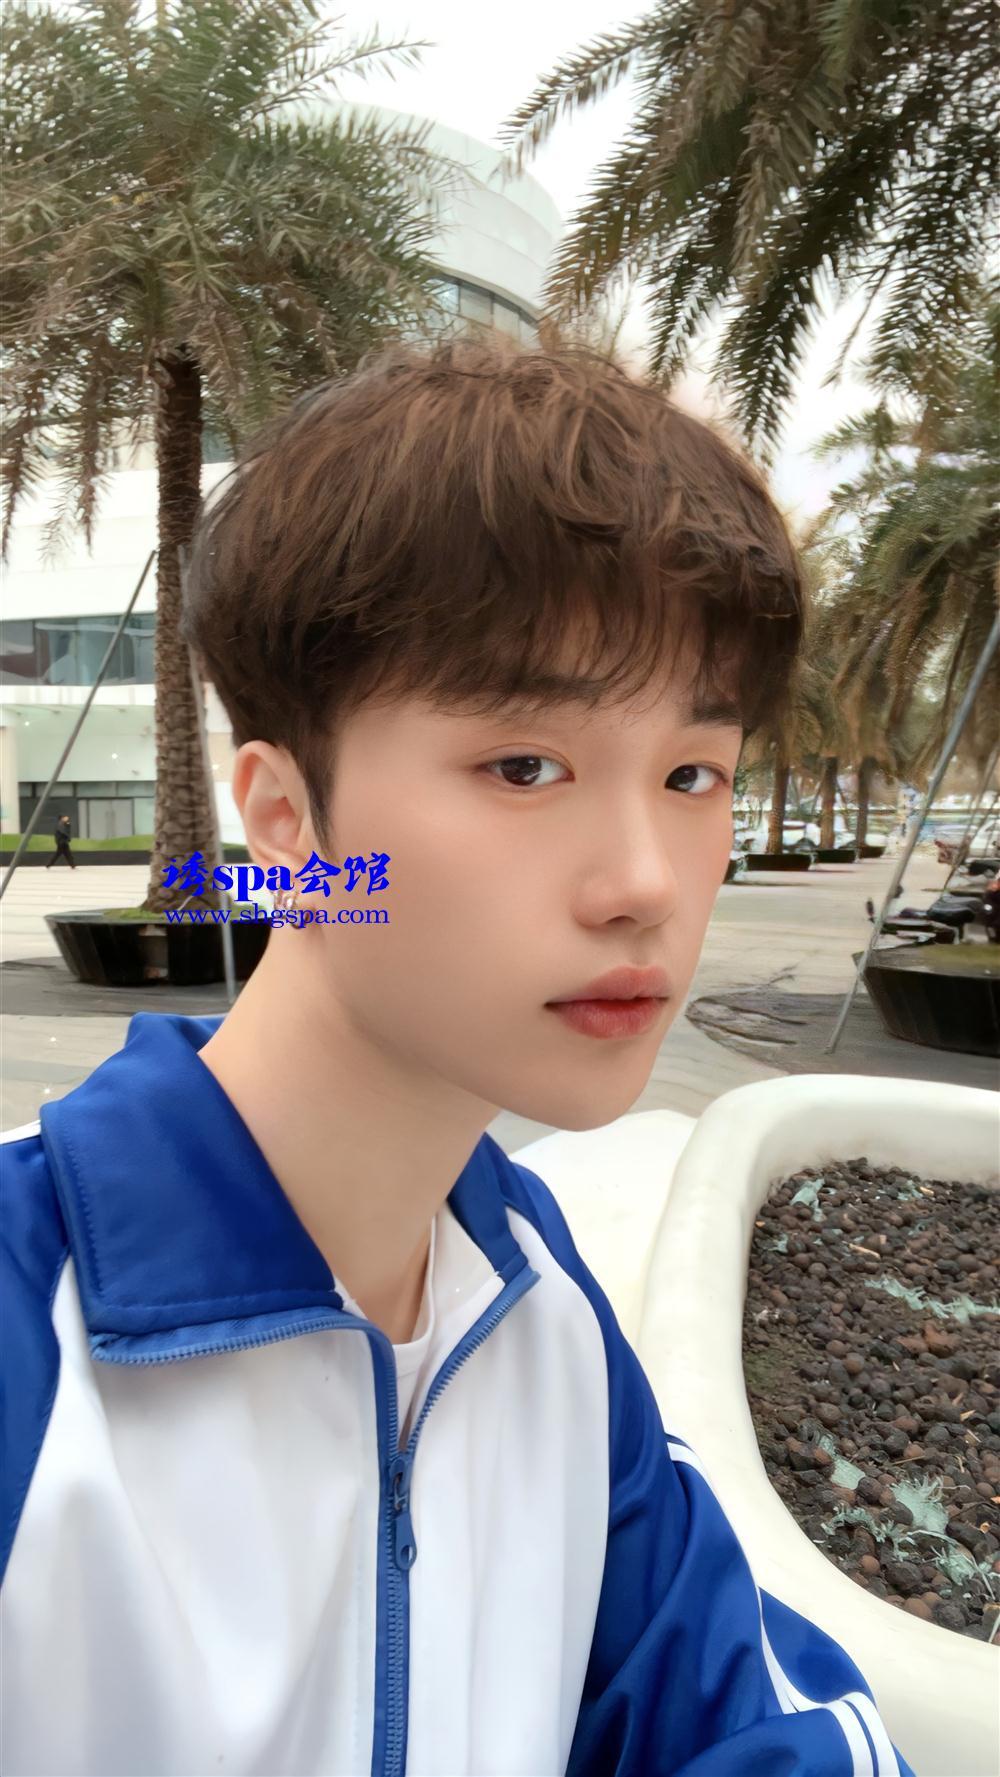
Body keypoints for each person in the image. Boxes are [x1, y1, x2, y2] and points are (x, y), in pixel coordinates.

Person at [1, 339, 916, 1777]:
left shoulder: (534, 1304)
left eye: (692, 773)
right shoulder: (28, 1337)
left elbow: (740, 1721)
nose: (644, 883)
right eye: (525, 767)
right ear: (289, 825)